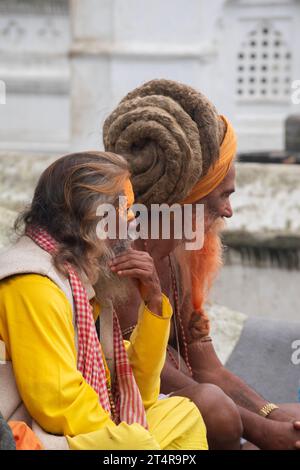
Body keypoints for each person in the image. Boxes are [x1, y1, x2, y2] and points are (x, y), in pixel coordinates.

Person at [103, 79, 300, 450]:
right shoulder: (119, 255)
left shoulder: (185, 252)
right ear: (187, 199)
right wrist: (257, 430)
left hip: (192, 399)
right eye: (222, 196)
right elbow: (143, 371)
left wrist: (272, 415)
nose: (228, 210)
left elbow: (206, 365)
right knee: (216, 410)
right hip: (131, 407)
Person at [0, 151, 207, 450]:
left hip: (72, 427)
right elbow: (58, 403)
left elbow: (139, 392)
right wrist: (121, 434)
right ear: (91, 216)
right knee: (134, 444)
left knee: (182, 415)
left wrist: (152, 301)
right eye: (124, 209)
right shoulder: (34, 282)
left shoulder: (78, 278)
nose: (133, 221)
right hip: (28, 436)